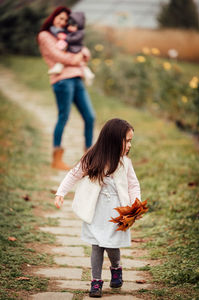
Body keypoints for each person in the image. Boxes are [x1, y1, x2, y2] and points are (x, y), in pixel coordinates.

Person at [55, 118, 141, 298]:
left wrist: (136, 205)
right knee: (96, 246)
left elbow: (133, 185)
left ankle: (116, 268)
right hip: (95, 211)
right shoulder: (93, 158)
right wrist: (61, 192)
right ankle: (96, 281)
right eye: (127, 140)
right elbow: (74, 174)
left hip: (116, 212)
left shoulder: (125, 162)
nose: (129, 145)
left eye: (130, 141)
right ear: (113, 139)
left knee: (111, 246)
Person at [37, 6, 95, 170]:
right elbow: (57, 55)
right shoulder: (45, 35)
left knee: (90, 117)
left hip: (77, 78)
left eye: (65, 20)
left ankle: (89, 160)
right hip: (62, 80)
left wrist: (80, 55)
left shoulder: (68, 34)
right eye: (60, 18)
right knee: (64, 116)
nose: (63, 22)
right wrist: (77, 58)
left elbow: (86, 51)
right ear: (53, 17)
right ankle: (57, 158)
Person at [48, 11, 95, 86]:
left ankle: (88, 74)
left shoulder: (80, 33)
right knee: (67, 58)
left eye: (72, 25)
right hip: (69, 49)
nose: (69, 27)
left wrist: (66, 38)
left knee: (80, 63)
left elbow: (74, 39)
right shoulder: (67, 31)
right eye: (69, 25)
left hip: (75, 49)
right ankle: (58, 67)